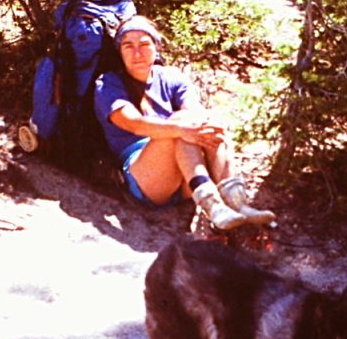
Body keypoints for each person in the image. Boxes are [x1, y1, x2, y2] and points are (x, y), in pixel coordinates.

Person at [93, 16, 275, 230]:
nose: (137, 53)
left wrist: (195, 127)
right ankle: (213, 205)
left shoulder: (171, 77)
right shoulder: (108, 83)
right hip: (146, 178)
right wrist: (180, 128)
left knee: (209, 122)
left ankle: (238, 203)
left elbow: (195, 113)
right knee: (180, 125)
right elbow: (134, 124)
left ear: (156, 47)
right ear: (120, 52)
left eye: (144, 44)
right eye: (128, 46)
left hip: (186, 175)